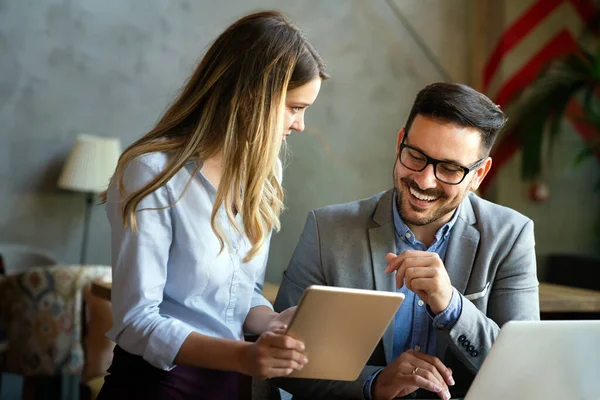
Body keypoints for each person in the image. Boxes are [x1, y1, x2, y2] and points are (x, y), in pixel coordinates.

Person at [97, 10, 328, 400]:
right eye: (295, 107)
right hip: (156, 386)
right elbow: (136, 321)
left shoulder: (266, 172)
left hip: (228, 386)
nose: (300, 125)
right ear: (253, 96)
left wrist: (272, 322)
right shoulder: (151, 174)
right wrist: (245, 356)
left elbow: (243, 294)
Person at [273, 82, 540, 400]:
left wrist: (451, 306)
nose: (424, 181)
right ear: (401, 142)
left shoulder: (511, 235)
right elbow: (282, 362)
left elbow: (525, 371)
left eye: (450, 169)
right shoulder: (327, 230)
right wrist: (375, 384)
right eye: (416, 156)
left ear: (479, 175)